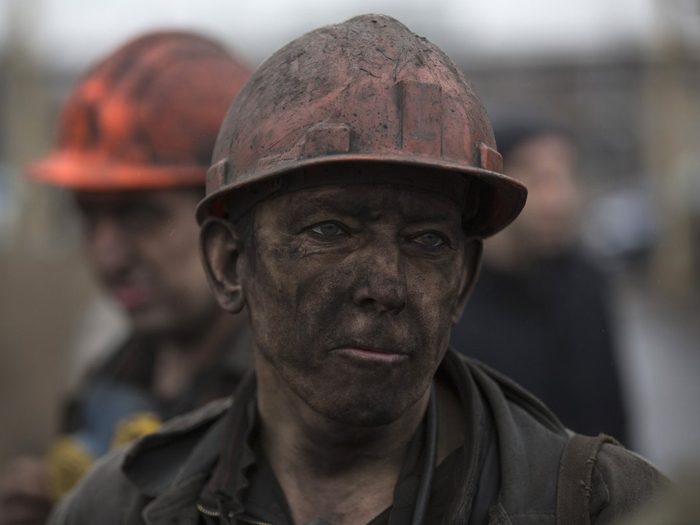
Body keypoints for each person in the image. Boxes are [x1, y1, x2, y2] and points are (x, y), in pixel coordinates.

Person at [49, 15, 669, 525]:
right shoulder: (118, 505)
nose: (386, 287)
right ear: (230, 262)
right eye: (330, 230)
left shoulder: (605, 506)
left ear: (463, 278)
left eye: (427, 240)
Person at [0, 32, 252, 525]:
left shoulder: (298, 402)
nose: (106, 256)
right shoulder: (110, 369)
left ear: (233, 219)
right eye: (88, 216)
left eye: (140, 215)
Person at [450, 119, 629, 443]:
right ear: (494, 187)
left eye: (566, 176)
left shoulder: (587, 284)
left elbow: (614, 419)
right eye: (537, 177)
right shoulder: (451, 299)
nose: (559, 200)